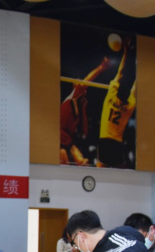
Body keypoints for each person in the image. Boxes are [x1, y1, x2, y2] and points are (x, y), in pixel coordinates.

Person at [60, 57, 110, 166]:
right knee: (65, 163)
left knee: (82, 163)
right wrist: (101, 67)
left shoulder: (79, 108)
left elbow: (84, 131)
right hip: (60, 138)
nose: (83, 88)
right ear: (75, 86)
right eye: (79, 84)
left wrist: (83, 109)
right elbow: (86, 81)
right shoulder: (72, 97)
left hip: (67, 140)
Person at [96, 38, 136, 168]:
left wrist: (126, 52)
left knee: (99, 174)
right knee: (121, 175)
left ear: (117, 90)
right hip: (117, 144)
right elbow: (135, 87)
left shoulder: (111, 95)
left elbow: (120, 72)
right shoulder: (130, 105)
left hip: (104, 141)